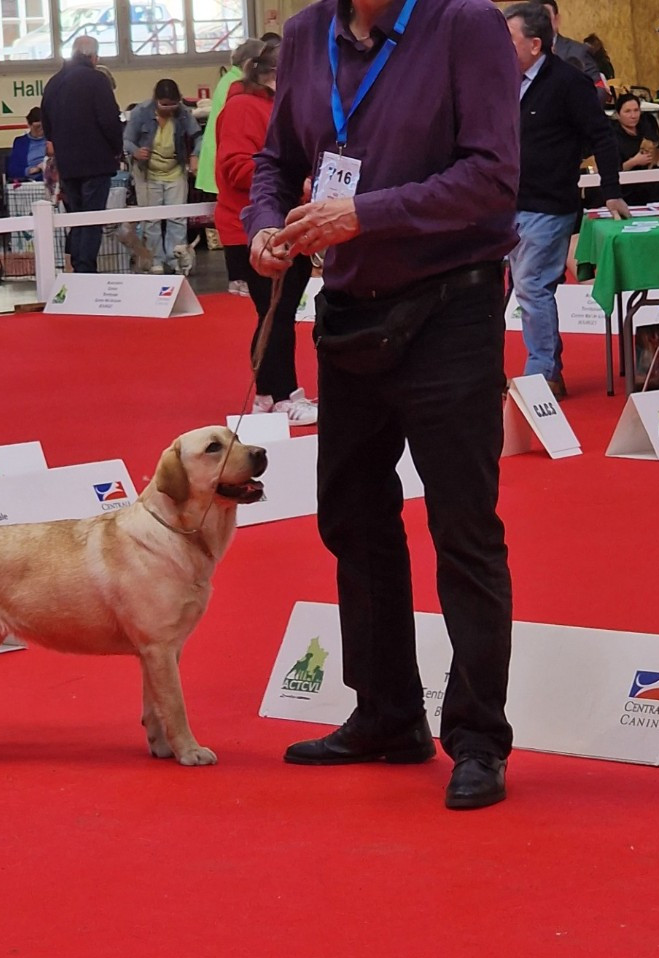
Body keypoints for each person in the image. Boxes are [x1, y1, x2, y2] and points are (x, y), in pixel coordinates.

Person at [246, 0, 520, 810]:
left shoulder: (465, 24)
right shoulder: (304, 35)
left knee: (463, 528)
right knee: (353, 518)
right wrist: (267, 226)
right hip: (349, 310)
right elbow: (275, 160)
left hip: (452, 307)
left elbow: (493, 175)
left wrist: (364, 212)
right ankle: (387, 713)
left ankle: (476, 736)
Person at [505, 3, 629, 400]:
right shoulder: (502, 82)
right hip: (507, 205)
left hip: (551, 205)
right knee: (520, 287)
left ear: (535, 44)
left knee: (531, 286)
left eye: (510, 40)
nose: (501, 47)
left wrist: (611, 189)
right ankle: (547, 365)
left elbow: (603, 137)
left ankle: (542, 373)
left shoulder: (570, 83)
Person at [215, 37, 317, 424]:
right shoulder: (243, 107)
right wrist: (296, 182)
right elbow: (235, 167)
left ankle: (272, 393)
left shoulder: (274, 106)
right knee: (275, 313)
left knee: (279, 311)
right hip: (255, 226)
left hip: (284, 222)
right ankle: (280, 393)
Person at [40, 35, 123, 274]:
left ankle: (75, 267)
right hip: (96, 163)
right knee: (92, 220)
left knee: (75, 219)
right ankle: (86, 271)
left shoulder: (54, 82)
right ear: (94, 57)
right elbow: (109, 120)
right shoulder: (97, 80)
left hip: (67, 164)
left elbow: (47, 122)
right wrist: (116, 149)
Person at [124, 79, 202, 274]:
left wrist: (195, 155)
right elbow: (126, 139)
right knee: (151, 220)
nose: (169, 108)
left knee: (177, 219)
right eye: (164, 104)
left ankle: (176, 259)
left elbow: (198, 136)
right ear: (155, 99)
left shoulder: (184, 113)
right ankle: (155, 260)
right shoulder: (140, 112)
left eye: (173, 104)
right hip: (147, 173)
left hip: (175, 171)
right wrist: (135, 152)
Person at [195, 38, 265, 195]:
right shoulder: (239, 85)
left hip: (222, 157)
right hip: (227, 161)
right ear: (251, 63)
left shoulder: (229, 79)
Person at [613, 91, 659, 205]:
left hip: (650, 177)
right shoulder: (612, 136)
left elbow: (657, 152)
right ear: (618, 115)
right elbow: (612, 170)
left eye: (636, 110)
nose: (633, 116)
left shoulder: (647, 127)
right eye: (627, 111)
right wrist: (634, 162)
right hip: (627, 185)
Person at [542, 2, 602, 89]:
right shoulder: (523, 53)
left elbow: (599, 88)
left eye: (545, 18)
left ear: (557, 20)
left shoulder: (578, 52)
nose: (540, 23)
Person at [6, 107, 47, 181]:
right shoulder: (20, 142)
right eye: (38, 127)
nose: (41, 129)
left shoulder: (53, 139)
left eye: (44, 126)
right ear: (29, 125)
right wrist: (32, 170)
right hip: (30, 182)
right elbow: (12, 170)